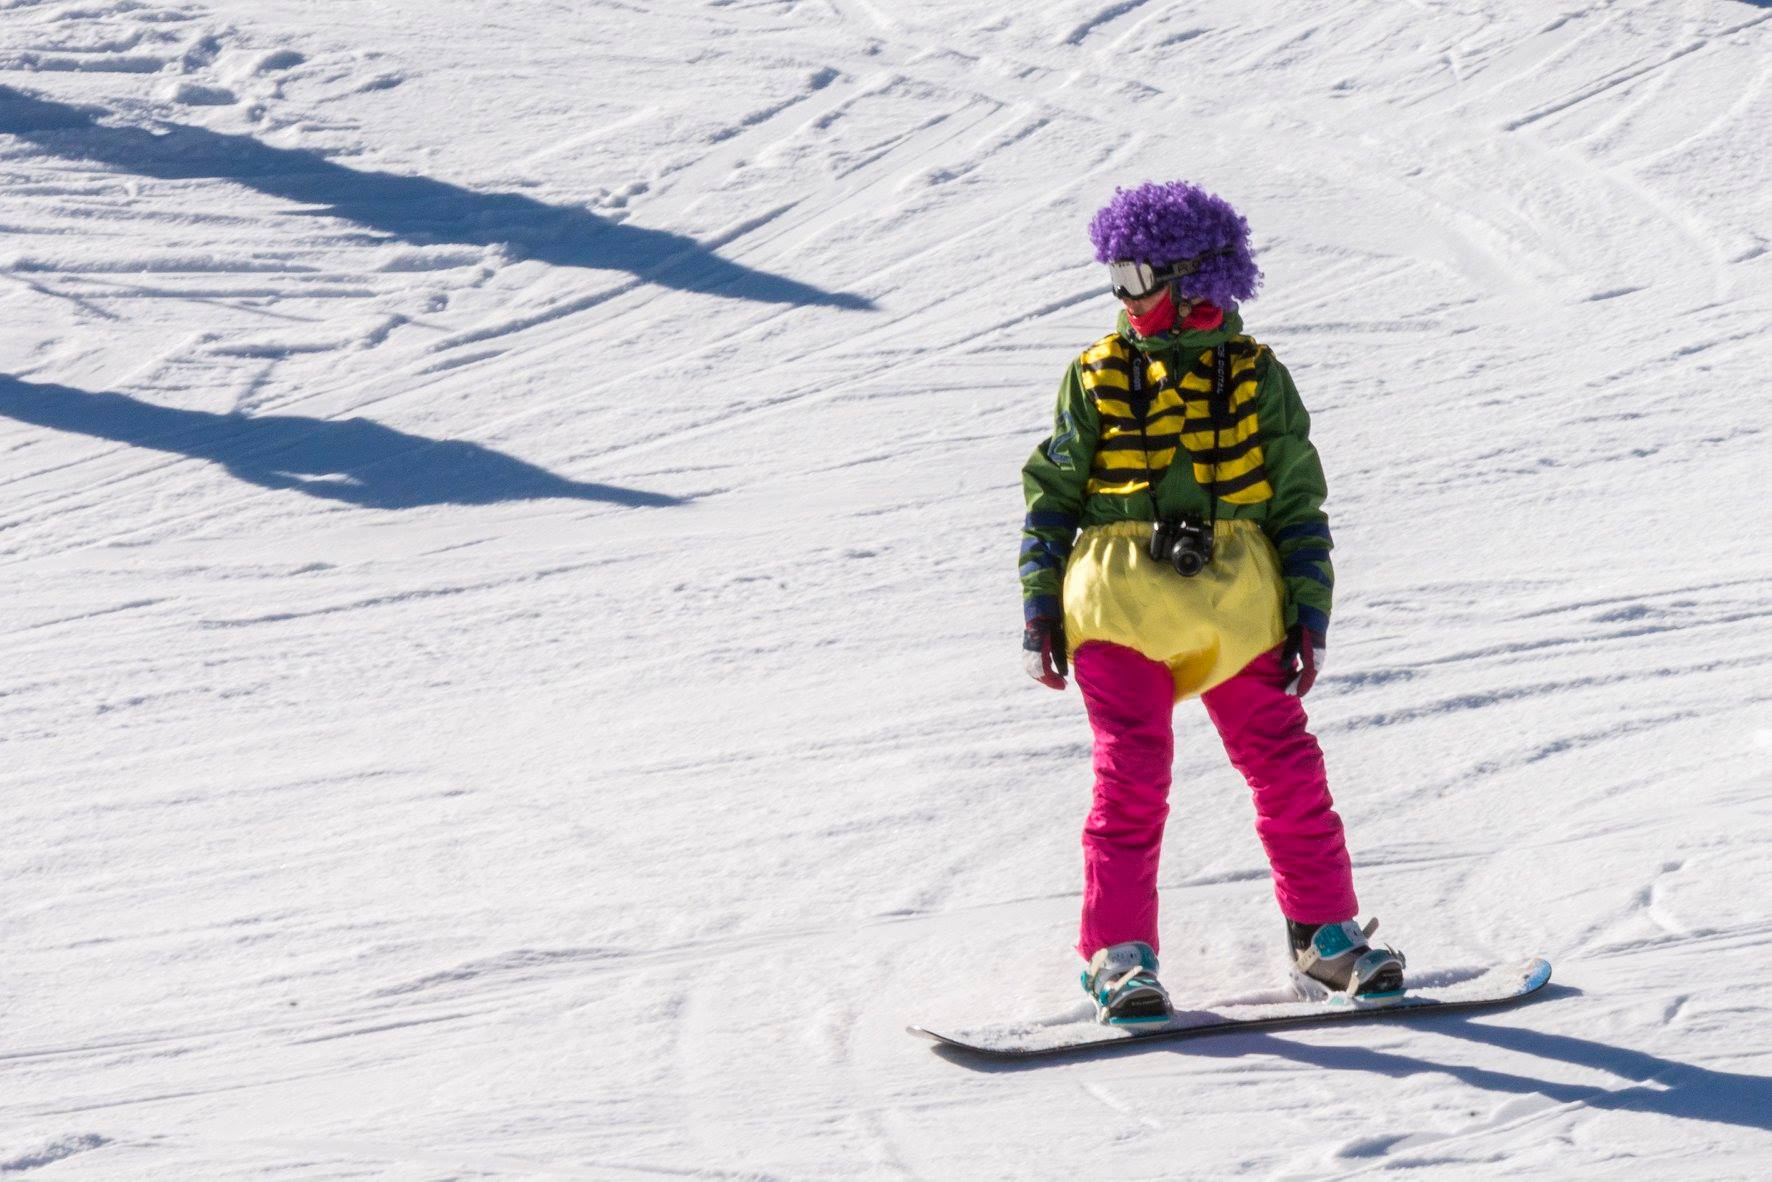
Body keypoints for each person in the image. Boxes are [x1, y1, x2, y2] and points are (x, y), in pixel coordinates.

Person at [1018, 180, 1404, 1025]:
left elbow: (1299, 501)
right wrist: (1040, 603)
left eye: (1138, 277)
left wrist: (1310, 611)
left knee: (1286, 767)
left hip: (1237, 605)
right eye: (1114, 280)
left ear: (1197, 277)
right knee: (1133, 776)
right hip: (1118, 605)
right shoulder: (1094, 375)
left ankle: (1324, 941)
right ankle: (1118, 956)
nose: (1125, 298)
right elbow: (1051, 492)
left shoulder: (1259, 376)